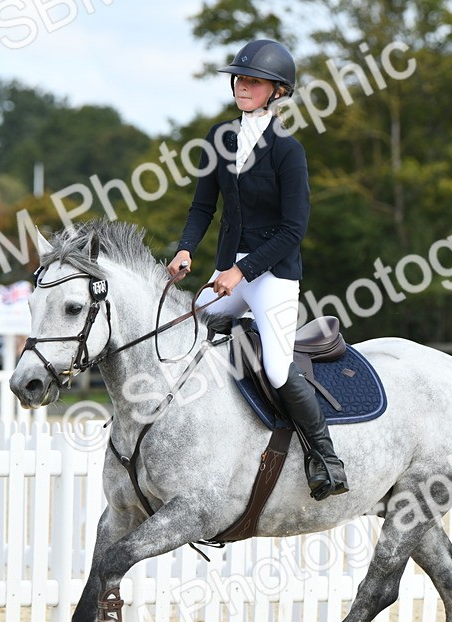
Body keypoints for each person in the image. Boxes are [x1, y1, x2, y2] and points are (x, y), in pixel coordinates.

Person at [165, 39, 348, 501]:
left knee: (277, 367)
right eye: (240, 79)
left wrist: (241, 272)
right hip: (231, 272)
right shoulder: (219, 138)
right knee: (184, 326)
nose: (243, 86)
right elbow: (203, 205)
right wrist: (187, 249)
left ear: (277, 92)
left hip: (273, 277)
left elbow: (293, 230)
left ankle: (325, 457)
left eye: (254, 81)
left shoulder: (289, 151)